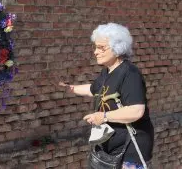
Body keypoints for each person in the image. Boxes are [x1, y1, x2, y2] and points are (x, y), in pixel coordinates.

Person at [58, 23, 154, 168]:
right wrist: (71, 89)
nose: (96, 52)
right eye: (95, 47)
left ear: (118, 48)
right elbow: (93, 89)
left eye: (101, 48)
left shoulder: (130, 73)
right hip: (111, 149)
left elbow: (136, 110)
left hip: (130, 150)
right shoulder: (107, 72)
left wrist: (103, 117)